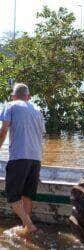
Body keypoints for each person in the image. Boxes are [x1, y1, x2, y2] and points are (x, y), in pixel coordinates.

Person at [0, 83, 45, 236]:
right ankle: (26, 227)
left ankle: (29, 225)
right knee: (27, 194)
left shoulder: (10, 106)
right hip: (36, 159)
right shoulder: (37, 111)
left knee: (12, 196)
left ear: (13, 96)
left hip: (19, 157)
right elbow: (40, 134)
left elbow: (4, 129)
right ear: (28, 97)